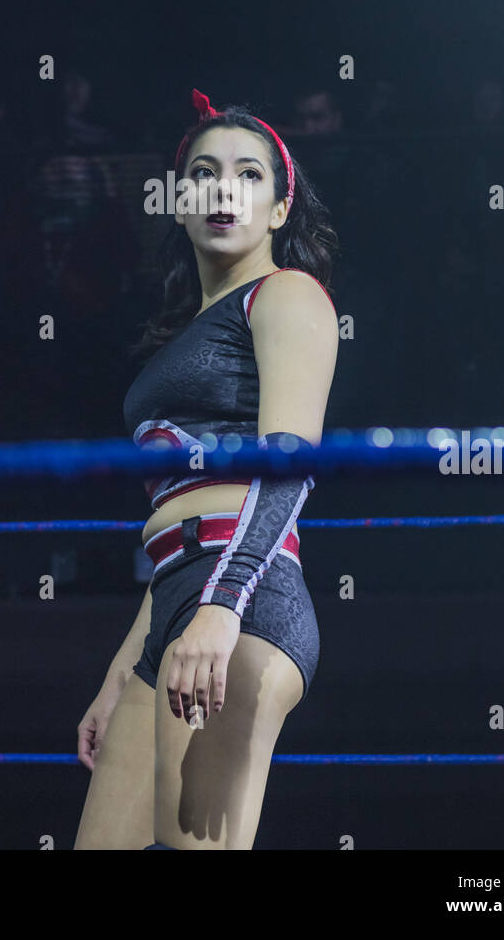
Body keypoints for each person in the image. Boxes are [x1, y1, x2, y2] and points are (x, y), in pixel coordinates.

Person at [74, 89, 339, 850]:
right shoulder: (182, 334)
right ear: (180, 199)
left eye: (249, 174)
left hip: (243, 600)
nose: (225, 188)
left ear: (280, 209)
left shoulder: (286, 296)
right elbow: (170, 529)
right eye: (205, 172)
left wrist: (221, 610)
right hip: (176, 604)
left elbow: (289, 466)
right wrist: (121, 671)